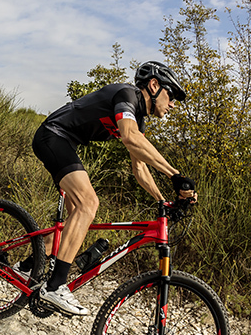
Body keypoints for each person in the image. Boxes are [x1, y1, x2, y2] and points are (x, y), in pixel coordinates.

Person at [28, 61, 197, 316]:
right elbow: (130, 137)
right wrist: (175, 175)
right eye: (170, 95)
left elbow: (139, 168)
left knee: (75, 217)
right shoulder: (127, 95)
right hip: (53, 135)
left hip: (66, 142)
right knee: (88, 204)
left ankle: (24, 265)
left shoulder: (138, 120)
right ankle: (55, 286)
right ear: (153, 85)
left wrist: (163, 200)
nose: (172, 104)